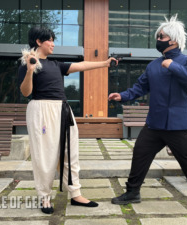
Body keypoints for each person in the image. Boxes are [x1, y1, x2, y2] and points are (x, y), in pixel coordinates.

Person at [108, 14, 187, 210]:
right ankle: (132, 192)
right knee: (140, 153)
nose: (158, 40)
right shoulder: (153, 65)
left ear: (173, 40)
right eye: (158, 36)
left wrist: (173, 66)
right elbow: (140, 88)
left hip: (179, 124)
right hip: (154, 124)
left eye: (161, 37)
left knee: (186, 159)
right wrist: (122, 96)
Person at [18, 26, 118, 214]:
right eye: (50, 40)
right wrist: (30, 70)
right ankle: (45, 197)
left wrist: (105, 63)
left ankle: (75, 193)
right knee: (44, 156)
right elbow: (26, 92)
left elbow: (81, 65)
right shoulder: (28, 64)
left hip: (63, 110)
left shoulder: (56, 64)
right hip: (41, 110)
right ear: (39, 42)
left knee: (70, 152)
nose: (53, 43)